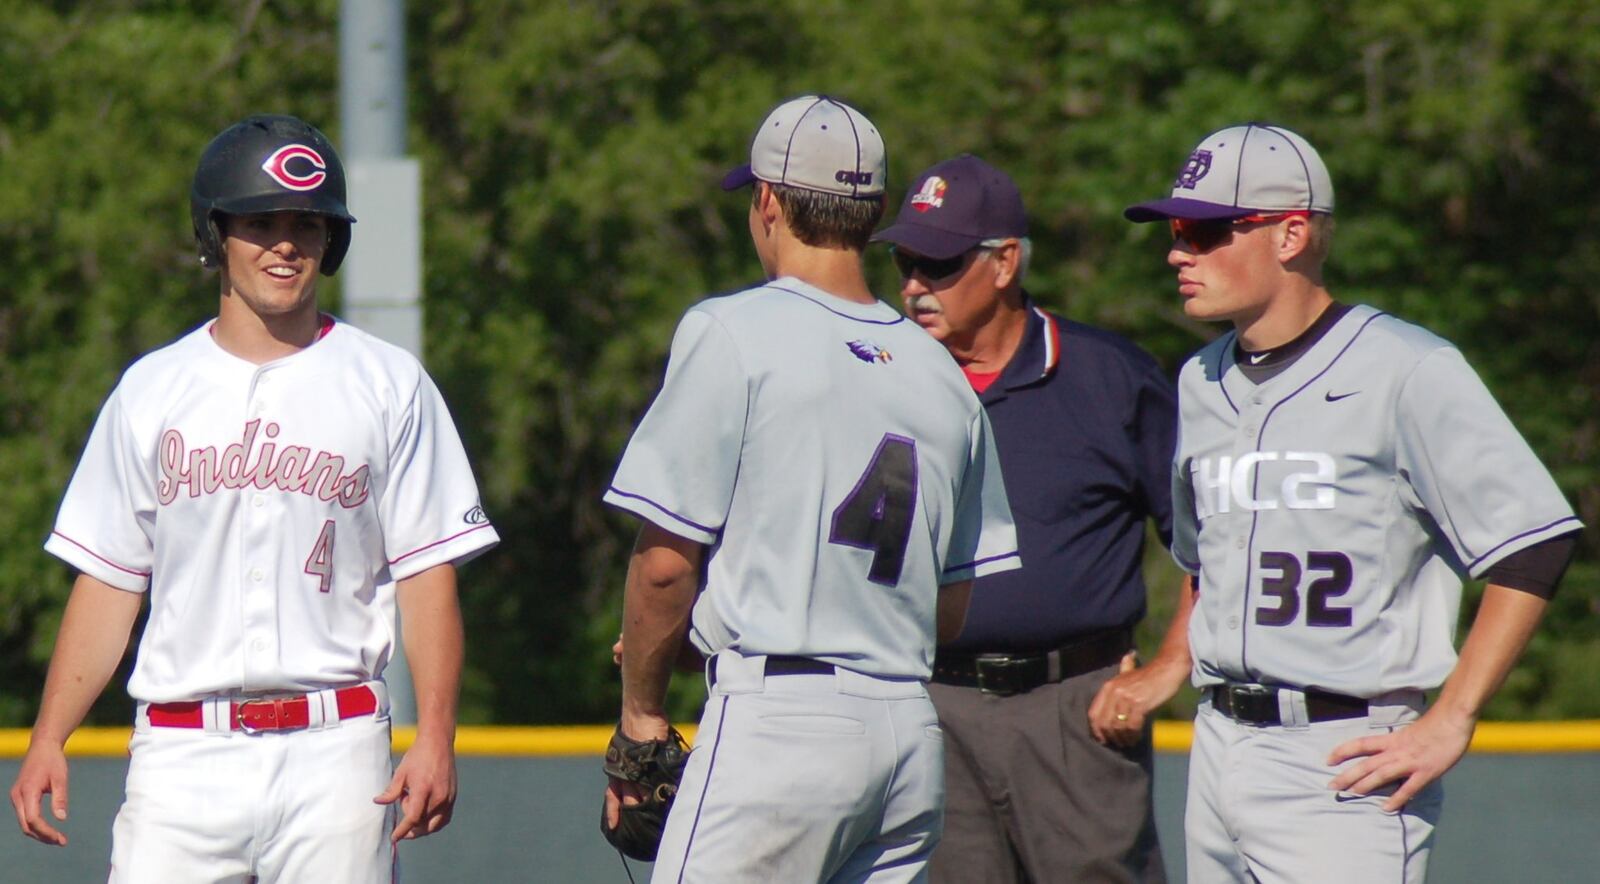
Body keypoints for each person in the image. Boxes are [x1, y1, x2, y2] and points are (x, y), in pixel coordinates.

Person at [8, 114, 499, 882]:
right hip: (181, 754)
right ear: (217, 235)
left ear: (330, 241)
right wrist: (48, 737)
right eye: (259, 222)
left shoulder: (387, 382)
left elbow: (427, 575)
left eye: (307, 223)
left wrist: (436, 733)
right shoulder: (152, 390)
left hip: (337, 752)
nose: (285, 243)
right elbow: (108, 581)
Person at [1123, 122, 1583, 883]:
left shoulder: (1407, 367)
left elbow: (1535, 540)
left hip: (1343, 755)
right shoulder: (1198, 380)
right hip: (1217, 747)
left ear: (1290, 233)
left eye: (1202, 230)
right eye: (1176, 231)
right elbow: (1202, 558)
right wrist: (1174, 661)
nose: (1178, 251)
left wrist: (1453, 717)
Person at [599, 95, 1020, 881]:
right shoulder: (944, 375)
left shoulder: (732, 331)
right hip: (905, 738)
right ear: (876, 212)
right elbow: (952, 603)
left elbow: (664, 564)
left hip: (779, 727)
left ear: (767, 201)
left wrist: (642, 712)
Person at [871, 154, 1178, 883]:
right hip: (929, 705)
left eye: (937, 265)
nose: (914, 287)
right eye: (905, 263)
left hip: (1073, 709)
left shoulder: (1110, 377)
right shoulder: (884, 380)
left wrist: (1169, 668)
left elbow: (1213, 543)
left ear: (1004, 262)